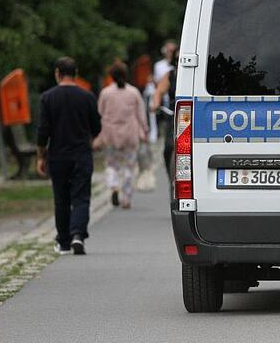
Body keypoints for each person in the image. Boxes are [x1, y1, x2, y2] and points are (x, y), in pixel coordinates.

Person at [37, 57, 102, 255]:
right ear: (76, 73)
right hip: (81, 154)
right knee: (81, 197)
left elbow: (43, 131)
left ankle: (63, 241)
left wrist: (41, 156)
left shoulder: (47, 98)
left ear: (57, 73)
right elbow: (96, 127)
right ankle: (78, 235)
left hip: (58, 155)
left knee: (61, 199)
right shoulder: (87, 97)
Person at [97, 60, 148, 209]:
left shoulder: (106, 93)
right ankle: (126, 198)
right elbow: (141, 114)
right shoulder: (133, 92)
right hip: (130, 134)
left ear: (111, 76)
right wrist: (144, 129)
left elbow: (100, 112)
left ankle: (113, 186)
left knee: (111, 164)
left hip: (110, 134)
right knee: (129, 166)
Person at [150, 48, 178, 177]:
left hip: (192, 115)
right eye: (177, 60)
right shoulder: (170, 74)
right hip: (173, 114)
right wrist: (155, 103)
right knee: (168, 147)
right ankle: (171, 178)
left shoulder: (195, 73)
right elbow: (159, 91)